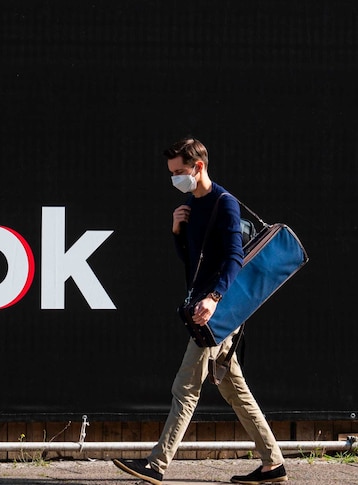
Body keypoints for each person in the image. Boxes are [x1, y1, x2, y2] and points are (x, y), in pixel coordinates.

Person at [112, 137, 287, 485]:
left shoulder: (225, 204)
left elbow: (234, 258)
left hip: (217, 314)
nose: (175, 179)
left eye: (179, 171)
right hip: (208, 308)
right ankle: (273, 465)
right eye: (172, 173)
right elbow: (194, 264)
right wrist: (178, 232)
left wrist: (214, 299)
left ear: (199, 166)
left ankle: (157, 465)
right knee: (235, 389)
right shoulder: (193, 205)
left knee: (185, 387)